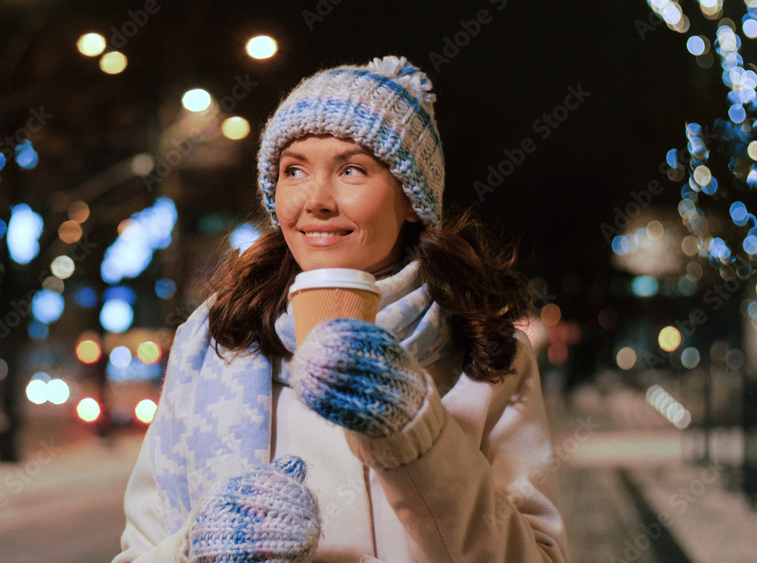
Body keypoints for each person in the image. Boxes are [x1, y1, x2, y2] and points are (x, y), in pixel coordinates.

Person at [114, 55, 570, 562]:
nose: (316, 201)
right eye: (294, 170)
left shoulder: (482, 347)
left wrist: (414, 432)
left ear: (412, 196)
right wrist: (198, 551)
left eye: (352, 169)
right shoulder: (218, 340)